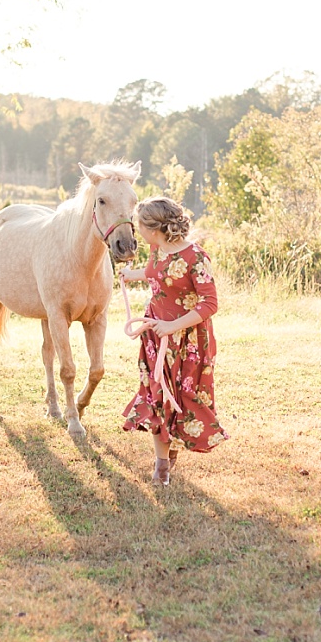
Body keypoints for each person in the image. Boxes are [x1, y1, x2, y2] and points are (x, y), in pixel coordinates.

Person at [119, 197, 228, 486]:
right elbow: (157, 273)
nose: (136, 231)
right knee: (156, 394)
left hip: (188, 339)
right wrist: (133, 275)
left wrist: (172, 326)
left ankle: (171, 446)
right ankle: (161, 466)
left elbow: (210, 304)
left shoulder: (196, 257)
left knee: (182, 397)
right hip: (156, 335)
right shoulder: (157, 249)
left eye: (139, 225)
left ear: (153, 229)